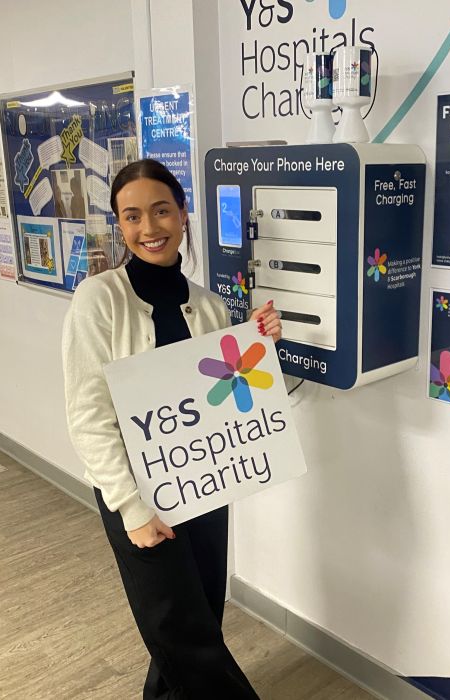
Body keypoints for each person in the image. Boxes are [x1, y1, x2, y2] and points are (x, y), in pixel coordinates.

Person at [61, 158, 281, 699]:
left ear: (183, 215)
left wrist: (258, 345)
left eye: (161, 211)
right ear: (120, 225)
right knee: (177, 630)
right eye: (131, 216)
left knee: (201, 613)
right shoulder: (99, 299)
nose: (148, 228)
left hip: (203, 486)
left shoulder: (207, 307)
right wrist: (131, 509)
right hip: (135, 492)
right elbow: (88, 414)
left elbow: (229, 395)